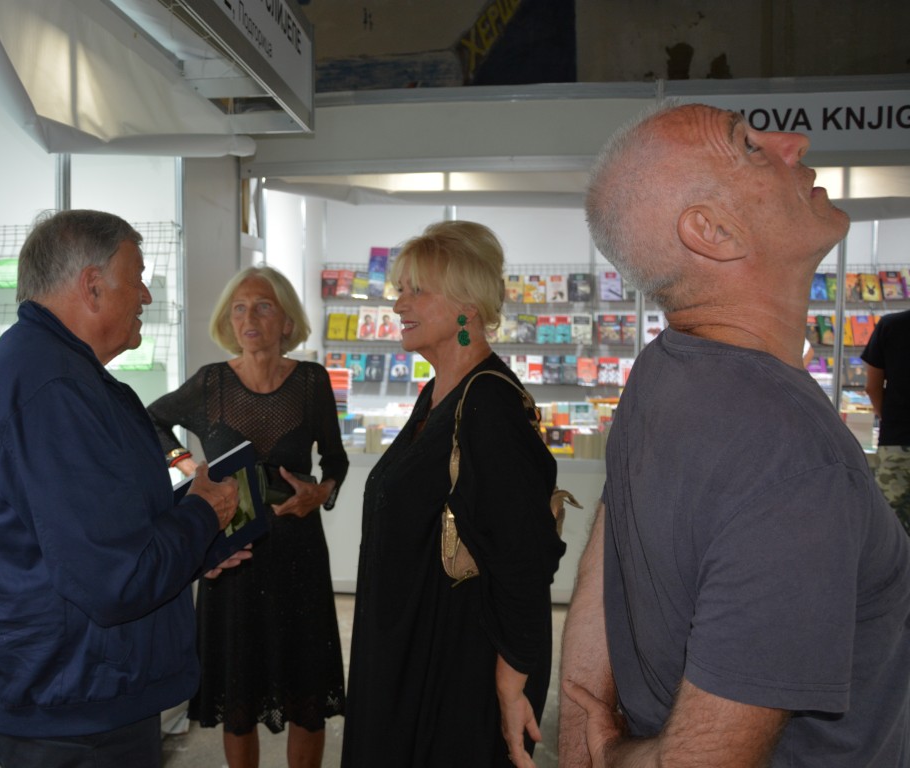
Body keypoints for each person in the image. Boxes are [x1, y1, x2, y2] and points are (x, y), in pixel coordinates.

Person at [559, 103, 910, 767]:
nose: (793, 140)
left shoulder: (663, 368)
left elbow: (606, 559)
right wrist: (610, 754)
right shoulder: (796, 463)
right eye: (748, 145)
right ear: (713, 231)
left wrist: (581, 728)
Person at [0, 209, 246, 768]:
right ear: (92, 285)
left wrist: (196, 540)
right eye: (138, 278)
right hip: (72, 707)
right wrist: (202, 514)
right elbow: (115, 578)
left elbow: (101, 528)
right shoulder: (52, 392)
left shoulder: (54, 375)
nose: (146, 296)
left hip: (74, 686)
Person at [341, 220, 566, 768]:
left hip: (453, 670)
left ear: (467, 304)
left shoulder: (487, 405)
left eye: (417, 290)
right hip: (410, 654)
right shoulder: (441, 391)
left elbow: (524, 561)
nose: (399, 305)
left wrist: (512, 684)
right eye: (400, 290)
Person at [148, 266, 348, 768]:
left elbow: (336, 460)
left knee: (306, 696)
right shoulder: (211, 383)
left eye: (262, 306)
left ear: (286, 321)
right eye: (239, 308)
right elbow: (151, 420)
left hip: (299, 556)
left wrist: (320, 493)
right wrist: (188, 468)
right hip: (230, 556)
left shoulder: (311, 382)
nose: (249, 318)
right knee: (238, 700)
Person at [863, 308, 910, 534]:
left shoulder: (890, 325)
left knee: (892, 530)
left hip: (896, 441)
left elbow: (872, 387)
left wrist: (888, 418)